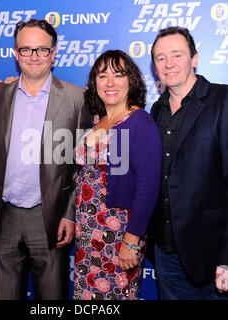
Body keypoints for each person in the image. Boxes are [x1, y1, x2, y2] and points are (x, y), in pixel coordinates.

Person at [148, 26, 228, 300]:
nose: (169, 64)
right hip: (166, 255)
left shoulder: (227, 100)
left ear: (194, 58)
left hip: (215, 255)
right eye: (161, 58)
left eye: (177, 55)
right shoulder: (155, 110)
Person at [0, 19, 91, 300]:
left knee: (52, 298)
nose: (34, 57)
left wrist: (69, 214)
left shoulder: (77, 98)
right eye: (26, 49)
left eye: (42, 50)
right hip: (3, 216)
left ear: (54, 53)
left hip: (49, 217)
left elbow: (81, 167)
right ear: (15, 53)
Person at [73, 50, 162, 300]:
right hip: (87, 232)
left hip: (117, 233)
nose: (110, 82)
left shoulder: (139, 123)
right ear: (95, 84)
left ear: (131, 80)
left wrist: (131, 241)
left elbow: (148, 186)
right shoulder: (98, 122)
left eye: (118, 75)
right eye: (102, 76)